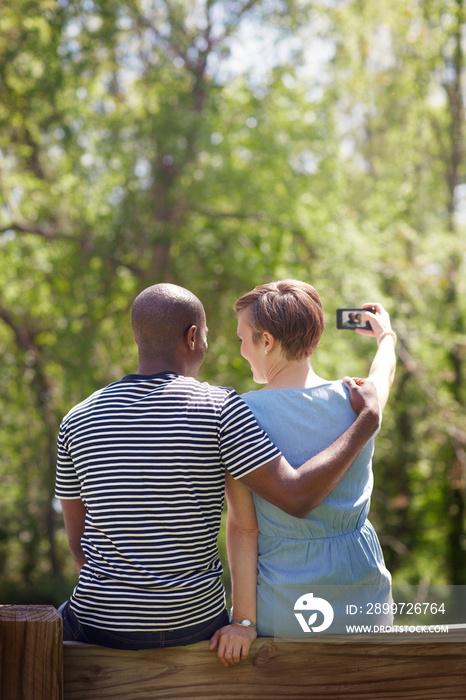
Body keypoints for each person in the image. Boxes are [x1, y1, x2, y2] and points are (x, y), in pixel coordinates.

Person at [56, 283, 379, 661]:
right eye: (207, 336)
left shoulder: (77, 419)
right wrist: (367, 419)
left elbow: (79, 548)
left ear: (137, 338)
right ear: (192, 337)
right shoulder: (219, 407)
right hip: (193, 621)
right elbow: (289, 500)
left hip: (102, 622)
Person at [217, 280, 396, 652]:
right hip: (365, 598)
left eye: (242, 339)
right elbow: (384, 375)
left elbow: (244, 531)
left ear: (266, 341)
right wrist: (386, 336)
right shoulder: (360, 399)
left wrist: (243, 621)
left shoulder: (239, 415)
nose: (241, 350)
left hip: (287, 606)